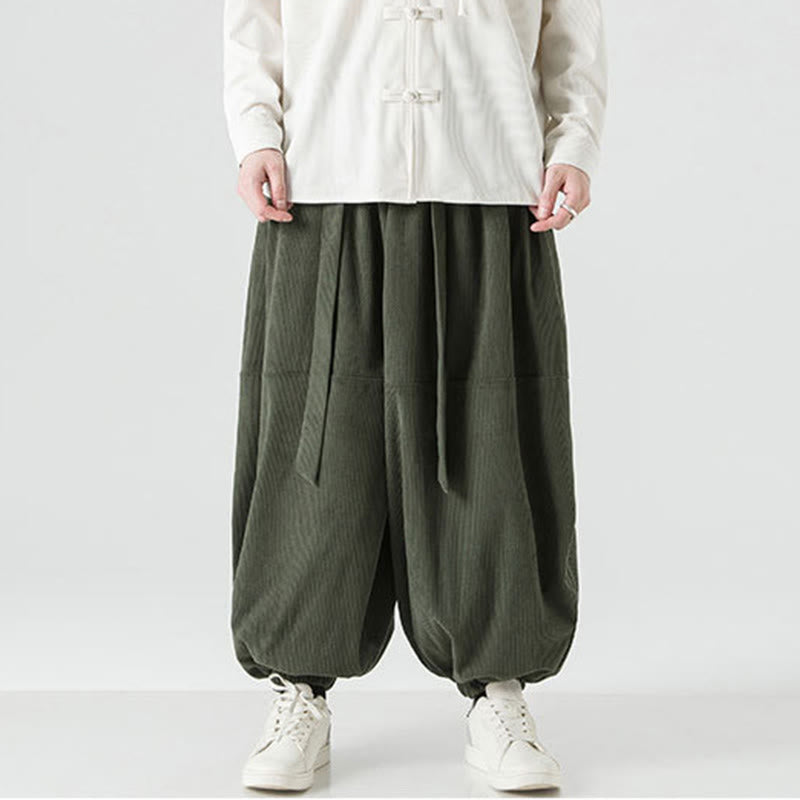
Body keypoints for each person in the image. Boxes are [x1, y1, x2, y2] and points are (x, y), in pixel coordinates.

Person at [223, 0, 607, 791]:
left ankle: (498, 690)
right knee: (315, 452)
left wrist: (574, 140)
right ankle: (298, 690)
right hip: (327, 169)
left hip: (486, 167)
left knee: (491, 448)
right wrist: (257, 132)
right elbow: (255, 16)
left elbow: (569, 22)